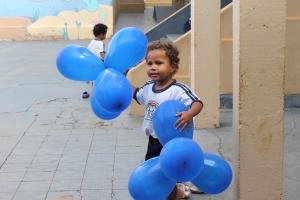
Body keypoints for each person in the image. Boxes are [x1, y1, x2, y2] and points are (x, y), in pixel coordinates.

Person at [131, 39, 204, 200]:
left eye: (159, 63)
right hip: (154, 140)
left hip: (173, 143)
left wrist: (189, 114)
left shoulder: (178, 90)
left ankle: (175, 192)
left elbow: (197, 103)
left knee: (169, 174)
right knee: (156, 172)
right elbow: (137, 94)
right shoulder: (149, 87)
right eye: (149, 63)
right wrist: (121, 83)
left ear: (173, 67)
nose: (153, 67)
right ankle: (173, 191)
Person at [82, 23, 108, 99]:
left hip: (90, 63)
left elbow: (87, 51)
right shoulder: (101, 43)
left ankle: (85, 92)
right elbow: (102, 54)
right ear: (101, 34)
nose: (105, 36)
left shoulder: (92, 42)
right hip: (98, 64)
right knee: (99, 78)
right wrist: (106, 60)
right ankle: (99, 93)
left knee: (89, 79)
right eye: (105, 34)